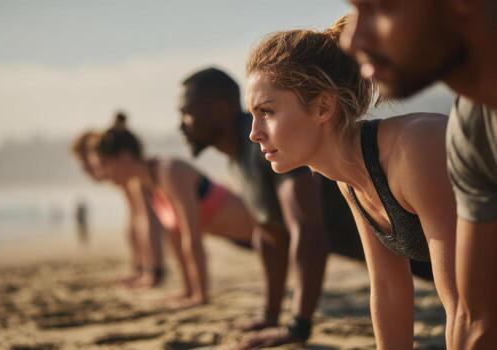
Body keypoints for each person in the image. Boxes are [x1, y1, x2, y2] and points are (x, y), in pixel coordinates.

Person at [179, 67, 433, 348]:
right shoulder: (241, 155)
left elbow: (309, 232)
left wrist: (298, 327)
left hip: (422, 243)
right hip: (396, 252)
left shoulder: (276, 145)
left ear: (218, 110)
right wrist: (270, 315)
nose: (181, 124)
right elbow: (269, 235)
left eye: (186, 112)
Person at [244, 17, 458, 349]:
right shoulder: (351, 178)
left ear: (323, 107)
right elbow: (389, 289)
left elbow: (464, 302)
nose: (254, 132)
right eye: (252, 115)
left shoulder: (414, 151)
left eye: (267, 112)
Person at [340, 1, 497, 348]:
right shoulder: (472, 127)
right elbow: (478, 320)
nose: (350, 41)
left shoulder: (421, 144)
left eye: (378, 8)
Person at [92, 115, 255, 310]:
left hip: (264, 230)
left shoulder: (170, 170)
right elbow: (173, 237)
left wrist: (200, 297)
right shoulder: (142, 184)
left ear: (125, 156)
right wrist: (186, 292)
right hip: (239, 237)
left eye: (104, 165)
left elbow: (192, 237)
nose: (102, 173)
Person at [71, 125, 165, 287]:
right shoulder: (126, 178)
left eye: (84, 162)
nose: (85, 169)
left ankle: (149, 270)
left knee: (141, 222)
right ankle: (142, 268)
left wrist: (153, 271)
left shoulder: (132, 179)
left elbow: (148, 223)